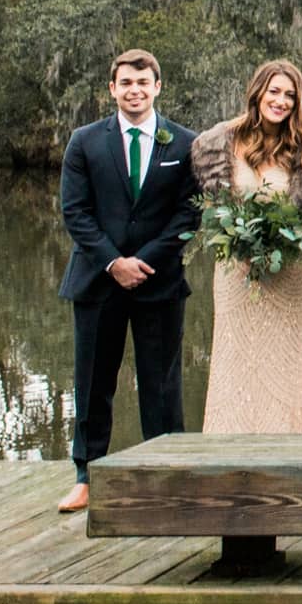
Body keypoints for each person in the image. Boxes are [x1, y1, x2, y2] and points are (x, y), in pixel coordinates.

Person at [55, 49, 199, 514]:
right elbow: (75, 212)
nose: (134, 90)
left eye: (143, 82)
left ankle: (165, 476)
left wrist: (144, 261)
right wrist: (114, 262)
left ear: (158, 87)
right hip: (98, 281)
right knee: (93, 381)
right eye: (126, 83)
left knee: (162, 385)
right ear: (112, 89)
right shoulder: (84, 142)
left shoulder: (183, 143)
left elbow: (188, 214)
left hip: (159, 281)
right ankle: (87, 475)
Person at [191, 60, 302, 434]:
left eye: (289, 95)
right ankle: (225, 452)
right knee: (234, 360)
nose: (280, 101)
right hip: (236, 269)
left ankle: (282, 450)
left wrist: (282, 242)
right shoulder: (218, 142)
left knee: (281, 363)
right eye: (274, 92)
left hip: (291, 270)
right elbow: (212, 209)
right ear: (258, 93)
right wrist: (243, 249)